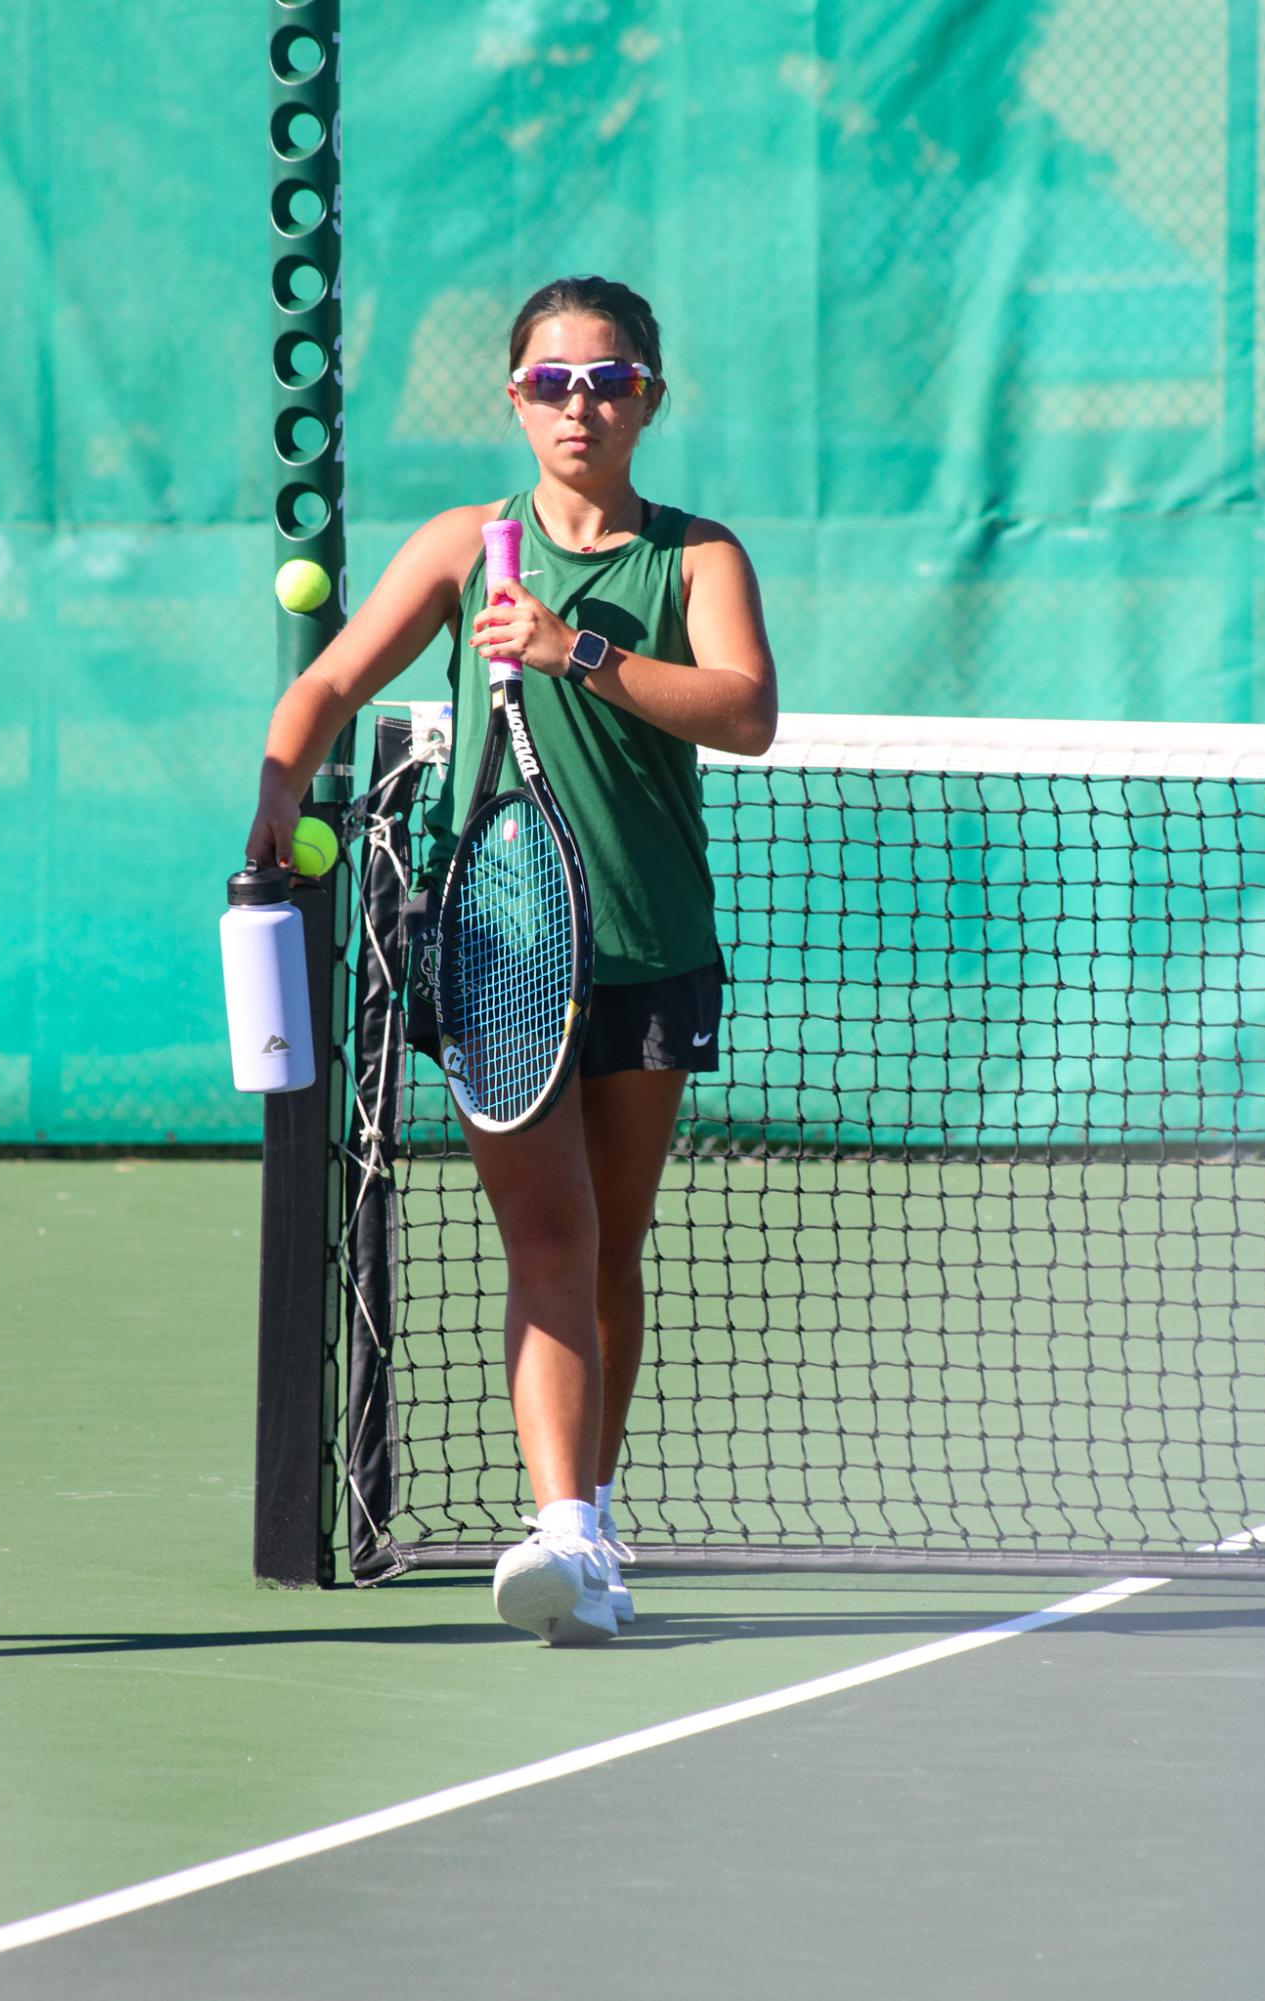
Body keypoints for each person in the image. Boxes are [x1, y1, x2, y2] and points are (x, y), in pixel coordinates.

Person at [248, 275, 777, 1644]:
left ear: (648, 395)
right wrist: (271, 806)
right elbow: (327, 685)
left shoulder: (694, 557)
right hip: (500, 950)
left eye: (606, 379)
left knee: (610, 1247)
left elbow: (744, 710)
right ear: (514, 399)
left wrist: (576, 647)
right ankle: (556, 1531)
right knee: (546, 1238)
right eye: (552, 382)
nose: (579, 403)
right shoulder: (462, 544)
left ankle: (589, 1506)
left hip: (653, 948)